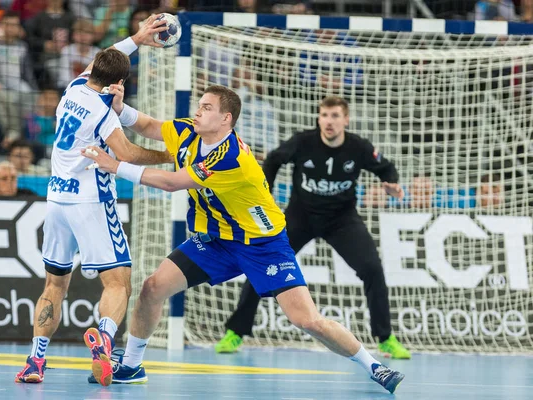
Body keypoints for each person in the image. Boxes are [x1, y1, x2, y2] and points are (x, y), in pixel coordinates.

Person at [81, 87, 405, 393]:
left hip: (263, 244)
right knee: (153, 287)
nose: (198, 112)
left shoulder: (231, 157)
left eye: (206, 108)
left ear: (226, 119)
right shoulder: (187, 131)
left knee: (307, 320)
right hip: (216, 239)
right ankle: (133, 366)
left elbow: (171, 182)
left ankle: (375, 367)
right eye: (199, 105)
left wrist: (115, 165)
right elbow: (150, 125)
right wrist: (121, 109)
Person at [14, 15, 169, 386]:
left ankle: (35, 362)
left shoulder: (74, 87)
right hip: (92, 202)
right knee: (119, 283)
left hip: (56, 199)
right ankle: (102, 335)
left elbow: (107, 58)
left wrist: (136, 38)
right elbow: (128, 154)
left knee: (54, 285)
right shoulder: (104, 114)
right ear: (117, 84)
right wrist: (169, 156)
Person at [212, 96, 412, 360]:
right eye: (325, 115)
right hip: (300, 216)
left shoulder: (358, 147)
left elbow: (385, 167)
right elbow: (273, 159)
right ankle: (236, 332)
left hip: (342, 219)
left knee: (372, 269)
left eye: (335, 116)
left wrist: (391, 182)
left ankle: (385, 339)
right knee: (263, 266)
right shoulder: (303, 141)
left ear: (346, 120)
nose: (329, 121)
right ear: (319, 118)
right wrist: (266, 191)